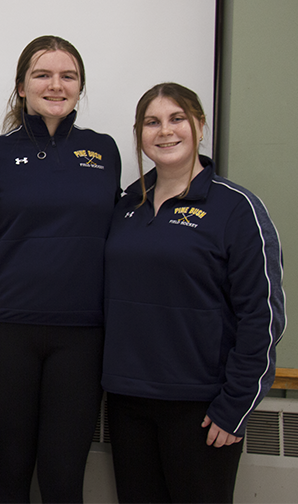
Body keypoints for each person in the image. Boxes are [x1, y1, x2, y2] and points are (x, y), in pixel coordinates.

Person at [103, 82, 285, 503]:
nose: (165, 131)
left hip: (202, 409)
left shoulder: (237, 209)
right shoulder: (125, 206)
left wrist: (234, 407)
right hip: (128, 402)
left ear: (200, 126)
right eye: (152, 122)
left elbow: (262, 317)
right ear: (140, 134)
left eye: (177, 118)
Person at [0, 35, 121, 503]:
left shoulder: (106, 152)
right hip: (6, 330)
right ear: (21, 86)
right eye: (42, 74)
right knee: (10, 473)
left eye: (67, 76)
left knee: (64, 477)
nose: (56, 85)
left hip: (83, 335)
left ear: (80, 87)